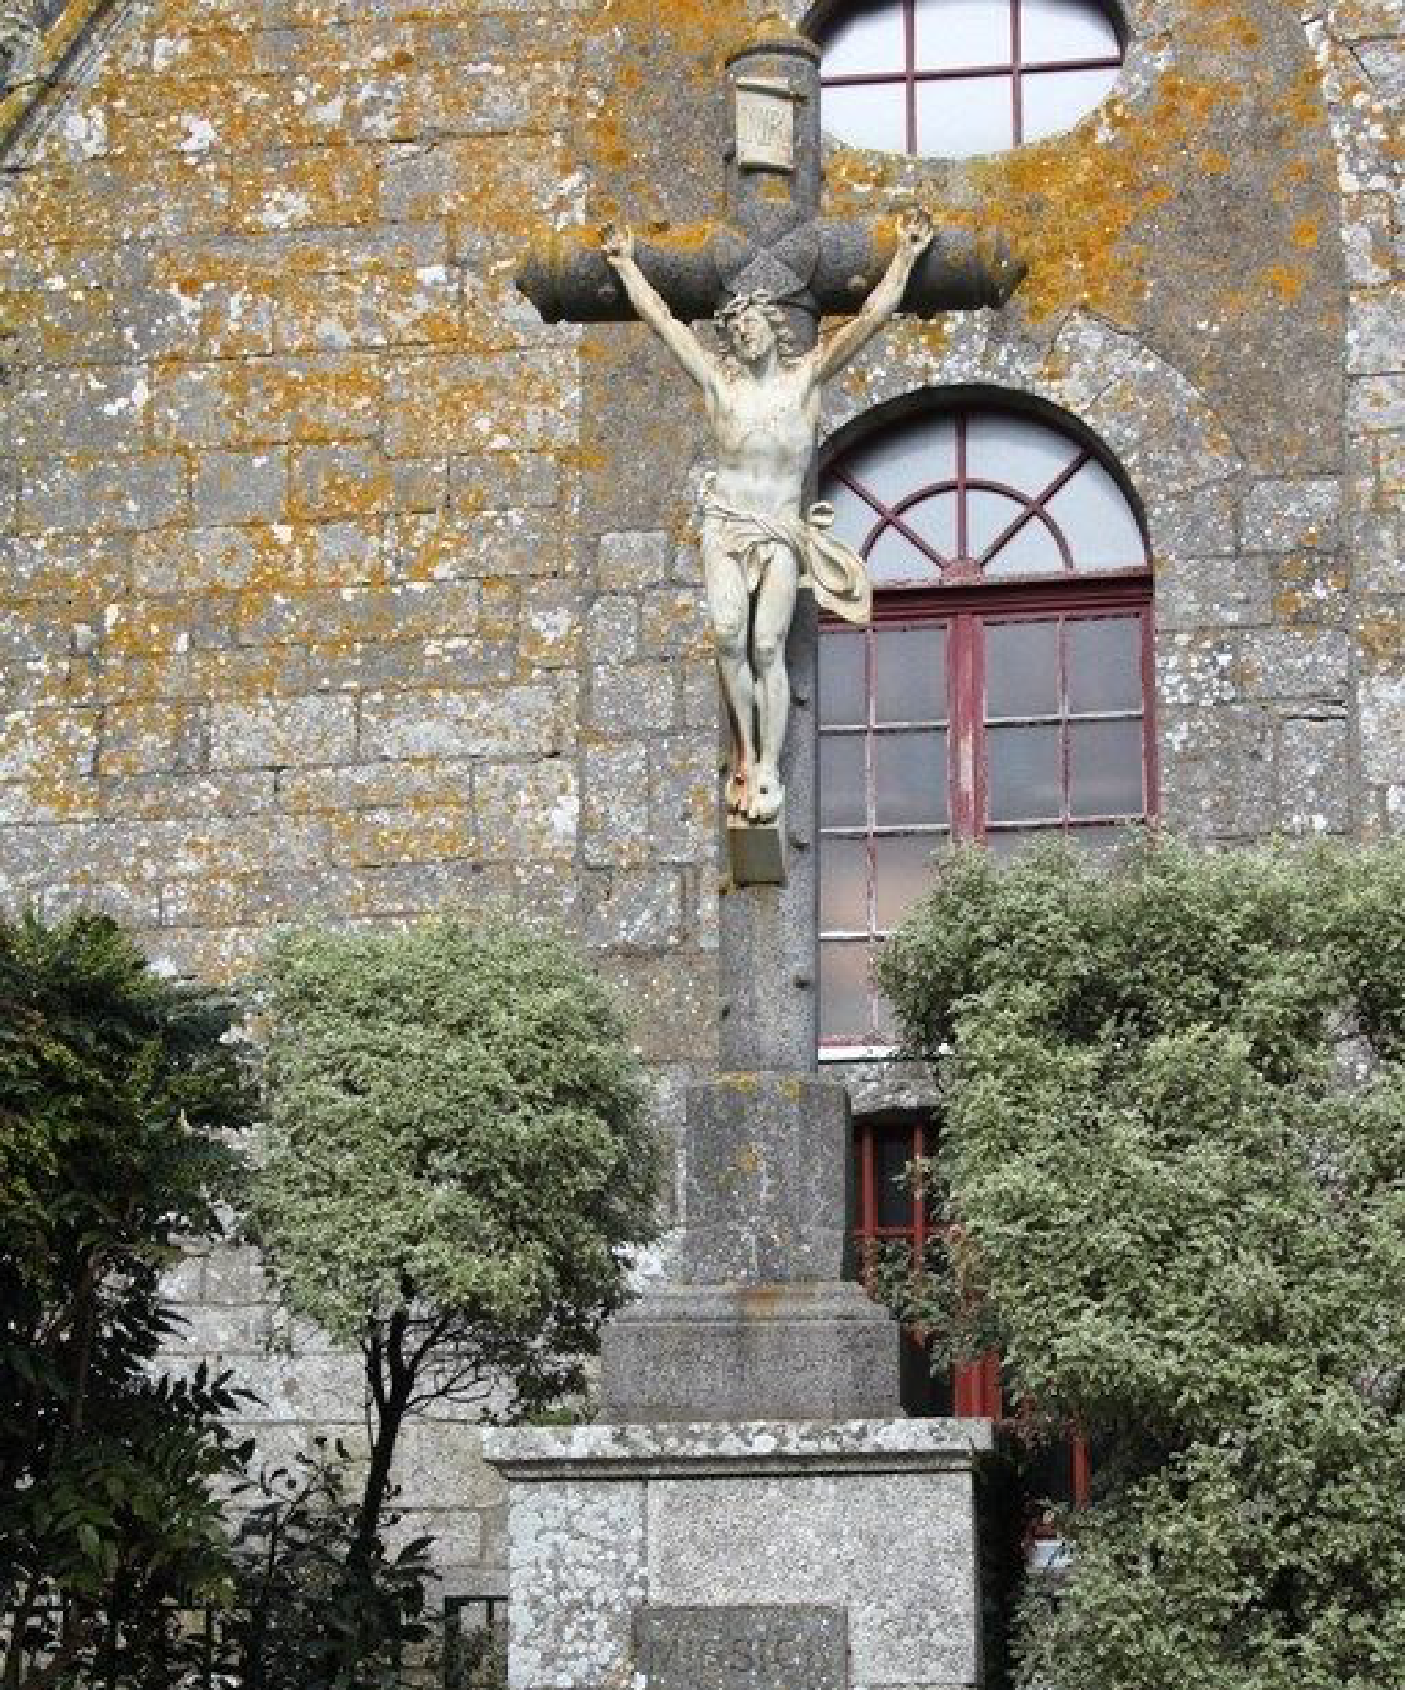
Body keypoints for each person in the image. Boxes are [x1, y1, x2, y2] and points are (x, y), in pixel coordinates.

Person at [603, 209, 936, 824]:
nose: (743, 337)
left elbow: (867, 321)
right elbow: (665, 326)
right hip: (726, 523)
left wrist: (906, 259)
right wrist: (627, 267)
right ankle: (747, 755)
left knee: (765, 645)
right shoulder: (719, 387)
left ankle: (767, 770)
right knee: (729, 638)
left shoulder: (805, 381)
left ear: (772, 327)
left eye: (751, 326)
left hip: (779, 529)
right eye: (734, 331)